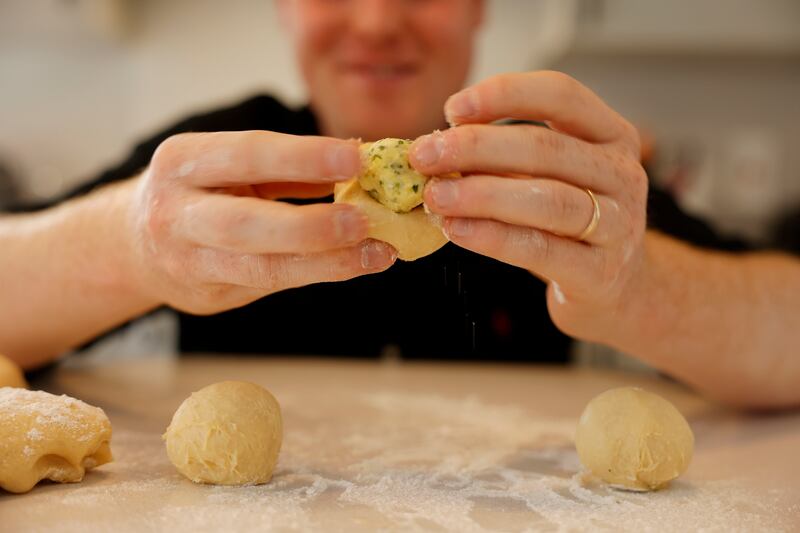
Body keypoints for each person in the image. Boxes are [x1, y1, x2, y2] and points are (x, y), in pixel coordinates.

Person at [1, 0, 798, 409]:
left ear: (479, 4)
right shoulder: (218, 155)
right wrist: (128, 241)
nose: (379, 22)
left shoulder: (557, 172)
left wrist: (640, 282)